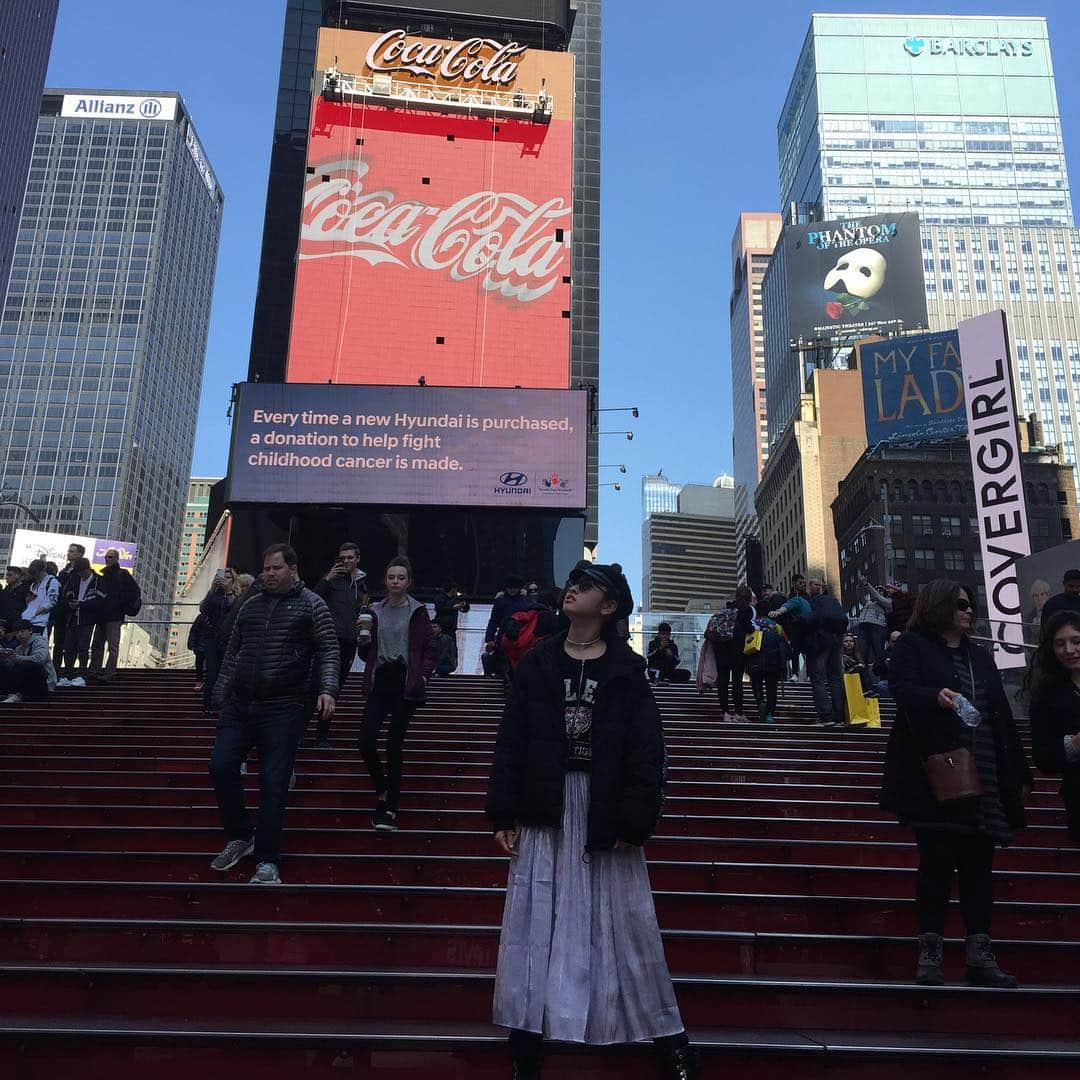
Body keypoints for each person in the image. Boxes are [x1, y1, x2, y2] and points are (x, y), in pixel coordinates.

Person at [487, 561, 698, 1079]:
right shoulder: (538, 662)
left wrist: (637, 817)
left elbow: (647, 748)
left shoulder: (627, 670)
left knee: (627, 920)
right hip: (546, 805)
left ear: (608, 607)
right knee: (537, 916)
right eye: (573, 583)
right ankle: (527, 1036)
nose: (572, 590)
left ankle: (668, 1038)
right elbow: (511, 737)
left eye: (587, 587)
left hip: (603, 809)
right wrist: (503, 810)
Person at [880, 579, 1031, 989]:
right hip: (935, 774)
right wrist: (936, 696)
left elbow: (1000, 714)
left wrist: (1017, 772)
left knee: (979, 869)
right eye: (960, 604)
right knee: (936, 865)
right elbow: (901, 688)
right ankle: (930, 952)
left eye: (971, 604)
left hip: (982, 773)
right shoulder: (913, 647)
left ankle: (980, 953)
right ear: (940, 605)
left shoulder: (980, 658)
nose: (968, 610)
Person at [208, 544, 339, 885]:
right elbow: (233, 652)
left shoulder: (313, 605)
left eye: (276, 568)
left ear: (293, 569)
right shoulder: (251, 605)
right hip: (240, 703)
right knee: (220, 765)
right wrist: (219, 692)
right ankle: (240, 836)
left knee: (273, 781)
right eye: (266, 568)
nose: (269, 574)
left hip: (284, 706)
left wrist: (328, 689)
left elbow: (328, 648)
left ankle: (267, 860)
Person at [356, 556, 436, 832]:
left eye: (401, 577)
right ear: (385, 580)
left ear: (408, 581)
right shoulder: (374, 610)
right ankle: (382, 788)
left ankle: (391, 806)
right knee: (365, 740)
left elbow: (428, 646)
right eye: (391, 577)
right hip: (381, 678)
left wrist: (423, 675)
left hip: (406, 679)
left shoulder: (418, 611)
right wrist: (362, 640)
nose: (395, 582)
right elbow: (366, 652)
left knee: (393, 743)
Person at [1026, 610, 1080, 842]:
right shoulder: (1046, 695)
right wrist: (1074, 744)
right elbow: (1043, 757)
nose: (1068, 650)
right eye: (1060, 643)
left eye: (1076, 641)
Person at [313, 542, 369, 748]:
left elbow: (361, 608)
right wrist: (327, 579)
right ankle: (300, 733)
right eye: (342, 557)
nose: (346, 561)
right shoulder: (331, 580)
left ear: (357, 559)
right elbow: (313, 599)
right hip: (328, 640)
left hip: (349, 641)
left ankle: (321, 735)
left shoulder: (362, 583)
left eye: (350, 557)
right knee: (315, 685)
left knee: (334, 689)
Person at [90, 549, 141, 681]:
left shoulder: (122, 574)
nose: (108, 559)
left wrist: (121, 605)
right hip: (102, 616)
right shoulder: (103, 576)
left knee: (112, 646)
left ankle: (109, 672)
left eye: (111, 557)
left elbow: (134, 592)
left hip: (114, 616)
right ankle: (95, 670)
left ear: (117, 558)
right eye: (106, 557)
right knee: (97, 645)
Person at [804, 578, 848, 728]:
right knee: (835, 678)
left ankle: (826, 716)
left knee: (817, 677)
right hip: (837, 639)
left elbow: (810, 620)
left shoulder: (813, 602)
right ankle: (839, 718)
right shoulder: (833, 601)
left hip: (822, 641)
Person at [707, 588, 755, 721]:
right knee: (736, 682)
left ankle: (725, 713)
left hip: (720, 649)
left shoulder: (725, 610)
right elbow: (748, 628)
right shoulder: (746, 609)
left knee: (723, 682)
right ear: (749, 597)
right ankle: (739, 713)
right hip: (737, 650)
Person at [199, 568, 242, 717]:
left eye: (229, 577)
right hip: (212, 638)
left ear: (234, 580)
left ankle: (226, 706)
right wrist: (213, 590)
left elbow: (235, 609)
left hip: (230, 639)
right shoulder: (213, 594)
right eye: (223, 577)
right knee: (211, 673)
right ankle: (208, 705)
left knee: (227, 673)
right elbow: (203, 609)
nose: (225, 579)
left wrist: (228, 591)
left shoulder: (237, 595)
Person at [58, 558, 105, 685]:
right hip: (73, 617)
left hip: (87, 618)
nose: (80, 575)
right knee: (68, 646)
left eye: (82, 572)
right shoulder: (74, 579)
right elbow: (66, 593)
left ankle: (82, 674)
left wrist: (82, 604)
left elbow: (99, 600)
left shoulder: (97, 580)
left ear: (87, 569)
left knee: (83, 647)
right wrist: (70, 601)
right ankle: (67, 673)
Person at [0, 619, 57, 702]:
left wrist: (16, 658)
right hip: (28, 685)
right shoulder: (19, 648)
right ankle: (11, 694)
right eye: (17, 632)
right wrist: (6, 657)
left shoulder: (40, 641)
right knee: (4, 666)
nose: (19, 634)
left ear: (30, 631)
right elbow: (12, 665)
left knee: (28, 664)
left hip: (44, 684)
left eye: (22, 631)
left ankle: (15, 694)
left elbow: (39, 659)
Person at [746, 615, 789, 726]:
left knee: (757, 687)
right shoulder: (776, 636)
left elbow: (746, 653)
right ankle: (769, 713)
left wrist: (747, 668)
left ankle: (760, 702)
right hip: (773, 667)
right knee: (772, 690)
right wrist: (783, 666)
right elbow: (784, 652)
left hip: (755, 667)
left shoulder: (752, 636)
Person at [484, 574, 529, 677]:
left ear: (519, 588)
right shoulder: (501, 601)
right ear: (506, 587)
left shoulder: (525, 601)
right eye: (510, 587)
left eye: (515, 587)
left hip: (520, 636)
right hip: (504, 636)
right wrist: (489, 638)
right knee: (503, 662)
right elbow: (493, 621)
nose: (512, 590)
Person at [51, 543, 85, 669]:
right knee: (58, 641)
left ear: (79, 554)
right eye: (69, 551)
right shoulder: (63, 571)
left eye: (72, 551)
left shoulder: (81, 573)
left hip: (73, 610)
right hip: (60, 609)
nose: (69, 553)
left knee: (71, 642)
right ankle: (56, 668)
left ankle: (69, 669)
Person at [770, 576, 811, 679]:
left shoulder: (806, 597)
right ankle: (795, 673)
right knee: (796, 651)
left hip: (806, 628)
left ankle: (806, 674)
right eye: (800, 583)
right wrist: (779, 611)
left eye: (803, 583)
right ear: (794, 583)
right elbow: (787, 606)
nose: (803, 585)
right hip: (796, 629)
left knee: (805, 651)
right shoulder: (793, 597)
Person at [856, 575, 892, 673]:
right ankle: (864, 675)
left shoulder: (887, 603)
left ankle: (882, 674)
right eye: (877, 590)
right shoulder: (868, 603)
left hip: (877, 626)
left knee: (878, 652)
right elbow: (860, 597)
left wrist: (866, 584)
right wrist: (860, 586)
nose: (877, 592)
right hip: (863, 625)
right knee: (863, 653)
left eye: (880, 591)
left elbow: (877, 597)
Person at [433, 581, 470, 673]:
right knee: (441, 648)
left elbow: (465, 608)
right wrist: (453, 607)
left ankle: (451, 665)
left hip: (451, 628)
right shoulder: (440, 597)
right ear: (452, 589)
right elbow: (440, 608)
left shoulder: (456, 598)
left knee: (451, 648)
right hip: (441, 629)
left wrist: (464, 605)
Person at [21, 560, 60, 637]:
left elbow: (52, 601)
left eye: (36, 573)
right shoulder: (34, 584)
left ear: (42, 571)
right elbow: (30, 603)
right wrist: (28, 602)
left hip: (41, 622)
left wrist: (35, 612)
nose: (34, 576)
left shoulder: (52, 582)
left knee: (38, 645)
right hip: (28, 620)